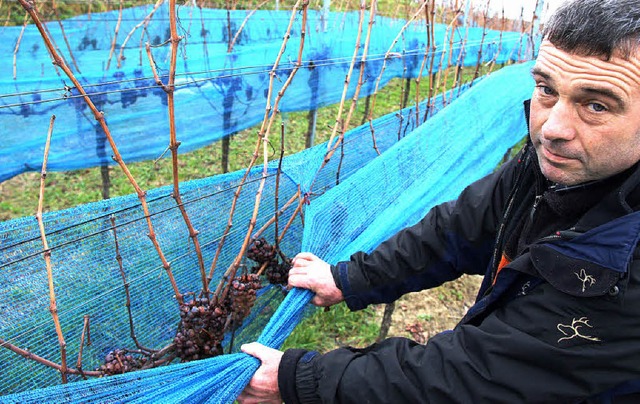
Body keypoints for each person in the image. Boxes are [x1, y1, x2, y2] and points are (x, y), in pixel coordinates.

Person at [238, 0, 640, 402]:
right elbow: (459, 228)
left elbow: (481, 375)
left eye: (596, 105)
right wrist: (349, 279)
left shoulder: (626, 268)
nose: (552, 128)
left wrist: (300, 380)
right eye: (547, 90)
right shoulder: (558, 166)